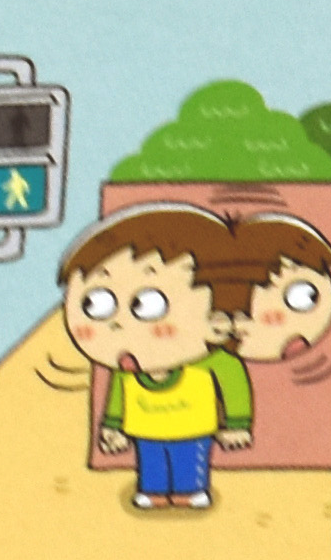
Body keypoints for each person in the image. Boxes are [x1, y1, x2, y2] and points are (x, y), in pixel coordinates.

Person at [63, 215, 236, 511]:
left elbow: (233, 383)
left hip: (193, 426)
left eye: (147, 304)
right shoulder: (127, 367)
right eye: (95, 303)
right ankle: (153, 490)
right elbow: (118, 396)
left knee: (188, 459)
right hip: (145, 428)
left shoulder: (212, 360)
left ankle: (190, 490)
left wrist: (237, 423)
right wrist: (113, 427)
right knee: (152, 461)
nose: (118, 324)